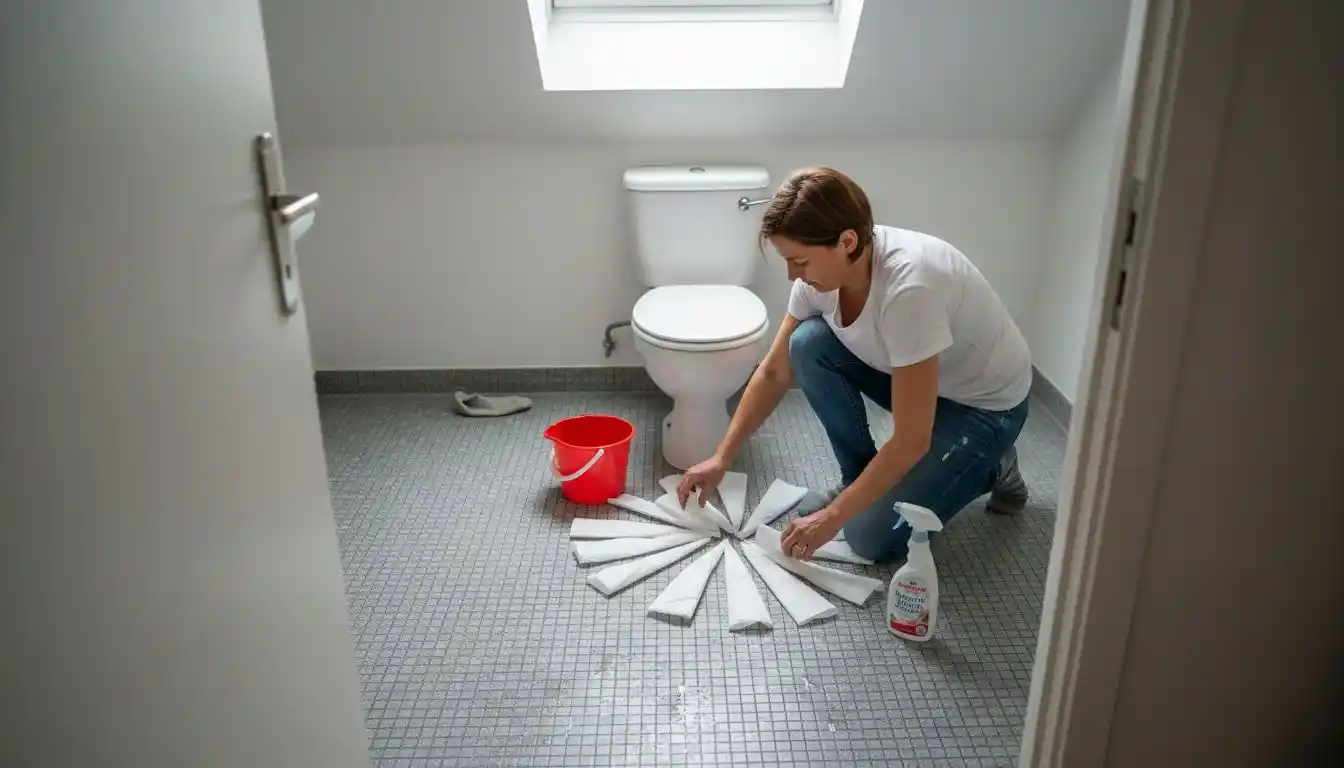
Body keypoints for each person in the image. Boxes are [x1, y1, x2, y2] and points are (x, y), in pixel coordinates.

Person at [675, 167, 1032, 563]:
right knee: (807, 343)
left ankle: (993, 464)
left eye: (800, 261)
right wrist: (722, 456)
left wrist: (832, 517)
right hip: (921, 381)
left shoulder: (910, 290)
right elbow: (775, 371)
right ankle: (858, 482)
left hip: (983, 407)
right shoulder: (822, 279)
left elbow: (913, 438)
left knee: (867, 539)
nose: (793, 275)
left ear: (847, 241)